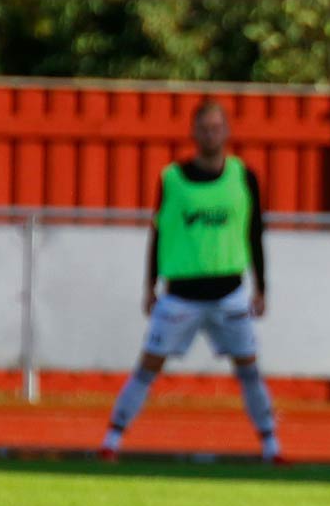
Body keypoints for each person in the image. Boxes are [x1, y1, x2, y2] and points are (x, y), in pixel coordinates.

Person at [101, 100, 280, 463]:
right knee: (147, 368)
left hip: (229, 292)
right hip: (180, 295)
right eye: (205, 127)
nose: (211, 134)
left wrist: (262, 287)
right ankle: (111, 441)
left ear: (227, 131)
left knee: (249, 369)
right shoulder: (172, 179)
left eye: (217, 127)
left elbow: (255, 234)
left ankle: (271, 447)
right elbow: (158, 232)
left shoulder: (243, 177)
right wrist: (149, 284)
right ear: (193, 132)